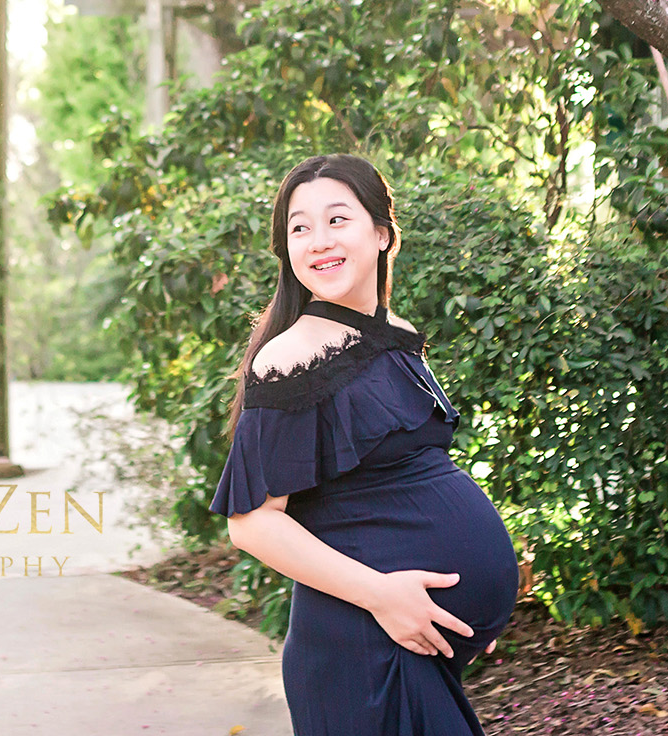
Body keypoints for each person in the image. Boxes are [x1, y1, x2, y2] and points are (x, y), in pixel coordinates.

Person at [209, 153, 520, 735]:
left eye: (337, 220)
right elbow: (251, 525)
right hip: (361, 645)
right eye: (299, 227)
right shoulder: (289, 359)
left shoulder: (395, 334)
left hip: (404, 644)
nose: (318, 240)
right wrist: (382, 595)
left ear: (381, 233)